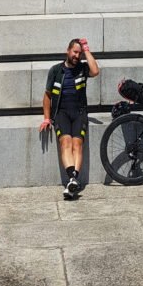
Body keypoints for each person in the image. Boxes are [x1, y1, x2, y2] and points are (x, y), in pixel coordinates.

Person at [39, 38, 100, 199]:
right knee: (65, 142)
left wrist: (87, 50)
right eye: (75, 52)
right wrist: (46, 118)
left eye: (79, 53)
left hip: (79, 112)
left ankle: (72, 179)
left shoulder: (82, 68)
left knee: (77, 143)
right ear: (68, 51)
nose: (77, 56)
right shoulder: (55, 70)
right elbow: (47, 96)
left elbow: (95, 71)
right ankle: (73, 179)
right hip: (61, 113)